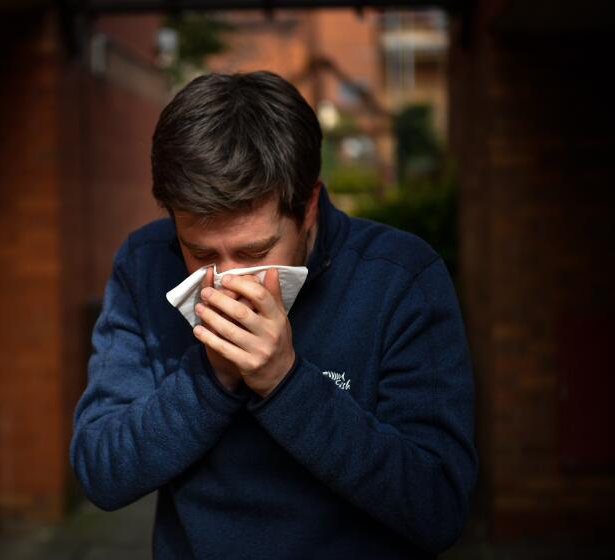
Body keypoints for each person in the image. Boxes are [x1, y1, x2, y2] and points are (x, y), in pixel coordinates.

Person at [70, 70, 477, 559]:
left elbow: (438, 507)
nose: (227, 281)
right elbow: (100, 471)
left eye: (254, 250)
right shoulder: (145, 264)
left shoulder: (400, 279)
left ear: (307, 208)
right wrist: (212, 377)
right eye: (200, 254)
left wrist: (285, 382)